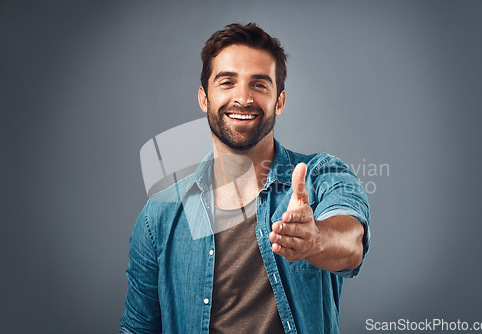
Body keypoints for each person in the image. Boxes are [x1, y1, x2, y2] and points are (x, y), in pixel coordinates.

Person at [120, 23, 370, 334]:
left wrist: (315, 239)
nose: (243, 98)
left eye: (260, 85)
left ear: (279, 101)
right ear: (204, 98)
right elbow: (138, 328)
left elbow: (351, 244)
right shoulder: (159, 214)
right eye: (227, 82)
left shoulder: (321, 176)